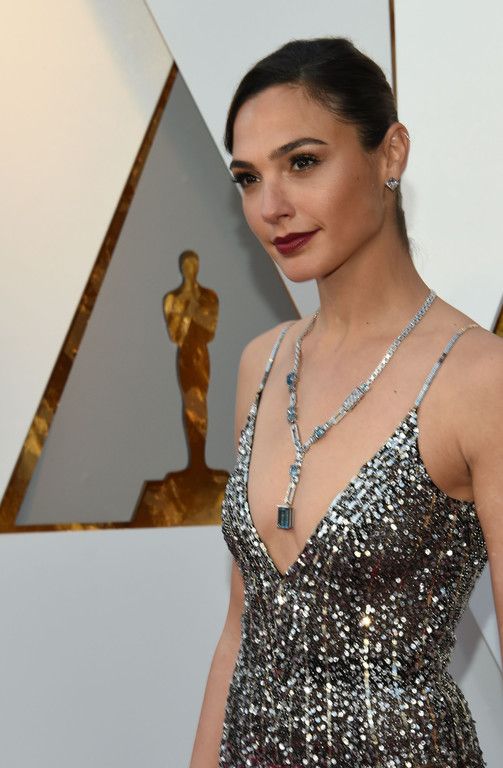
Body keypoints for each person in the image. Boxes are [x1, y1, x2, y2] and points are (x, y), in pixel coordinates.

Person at [189, 37, 503, 768]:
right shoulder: (261, 364)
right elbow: (239, 633)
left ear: (390, 152)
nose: (271, 207)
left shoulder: (478, 378)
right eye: (248, 178)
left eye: (302, 163)